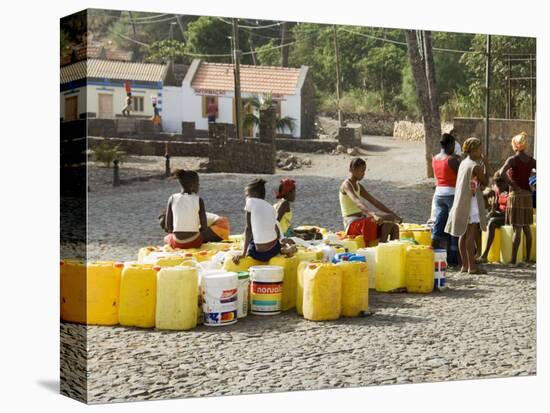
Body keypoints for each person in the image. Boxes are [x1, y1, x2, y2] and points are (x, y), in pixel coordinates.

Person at [445, 137, 489, 274]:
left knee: (463, 235)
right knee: (471, 233)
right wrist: (486, 163)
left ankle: (464, 265)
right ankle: (472, 267)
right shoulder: (476, 166)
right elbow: (486, 182)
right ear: (474, 150)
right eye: (480, 148)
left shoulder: (464, 163)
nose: (481, 151)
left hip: (461, 202)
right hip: (472, 203)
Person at [339, 157, 402, 244]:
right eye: (362, 170)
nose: (363, 174)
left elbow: (374, 202)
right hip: (352, 224)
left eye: (364, 171)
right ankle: (381, 247)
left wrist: (394, 215)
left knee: (394, 227)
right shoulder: (346, 185)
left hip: (361, 219)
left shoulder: (359, 186)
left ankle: (392, 250)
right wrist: (373, 215)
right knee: (389, 218)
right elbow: (357, 202)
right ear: (353, 169)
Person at [233, 179, 295, 264]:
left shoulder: (250, 202)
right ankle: (283, 249)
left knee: (249, 236)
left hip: (257, 253)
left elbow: (248, 229)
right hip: (273, 251)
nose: (246, 198)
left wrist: (243, 253)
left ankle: (282, 248)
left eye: (247, 195)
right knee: (271, 230)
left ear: (254, 194)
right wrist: (280, 239)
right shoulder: (270, 207)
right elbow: (276, 226)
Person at [498, 132, 536, 265]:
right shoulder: (531, 160)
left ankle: (513, 259)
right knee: (527, 227)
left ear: (515, 145)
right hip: (527, 196)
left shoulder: (512, 160)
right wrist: (532, 185)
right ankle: (527, 259)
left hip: (516, 195)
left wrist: (513, 184)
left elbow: (501, 173)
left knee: (517, 229)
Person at [431, 133, 461, 266]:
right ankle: (453, 258)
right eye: (453, 145)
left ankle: (432, 254)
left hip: (438, 195)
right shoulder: (452, 160)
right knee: (453, 227)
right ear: (449, 144)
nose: (454, 147)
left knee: (439, 226)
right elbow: (462, 176)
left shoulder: (435, 158)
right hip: (452, 194)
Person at [163, 169, 206, 249]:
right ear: (192, 186)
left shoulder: (172, 198)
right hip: (195, 242)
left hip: (178, 243)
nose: (199, 186)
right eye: (198, 184)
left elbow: (168, 227)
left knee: (166, 238)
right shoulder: (199, 200)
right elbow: (204, 227)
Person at [479, 172, 508, 263]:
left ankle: (485, 255)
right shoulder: (497, 190)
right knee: (479, 221)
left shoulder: (511, 192)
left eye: (500, 185)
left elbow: (511, 213)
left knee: (492, 222)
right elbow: (494, 207)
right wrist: (493, 211)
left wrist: (496, 214)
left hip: (508, 217)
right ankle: (478, 252)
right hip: (500, 215)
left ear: (506, 183)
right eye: (497, 185)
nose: (498, 187)